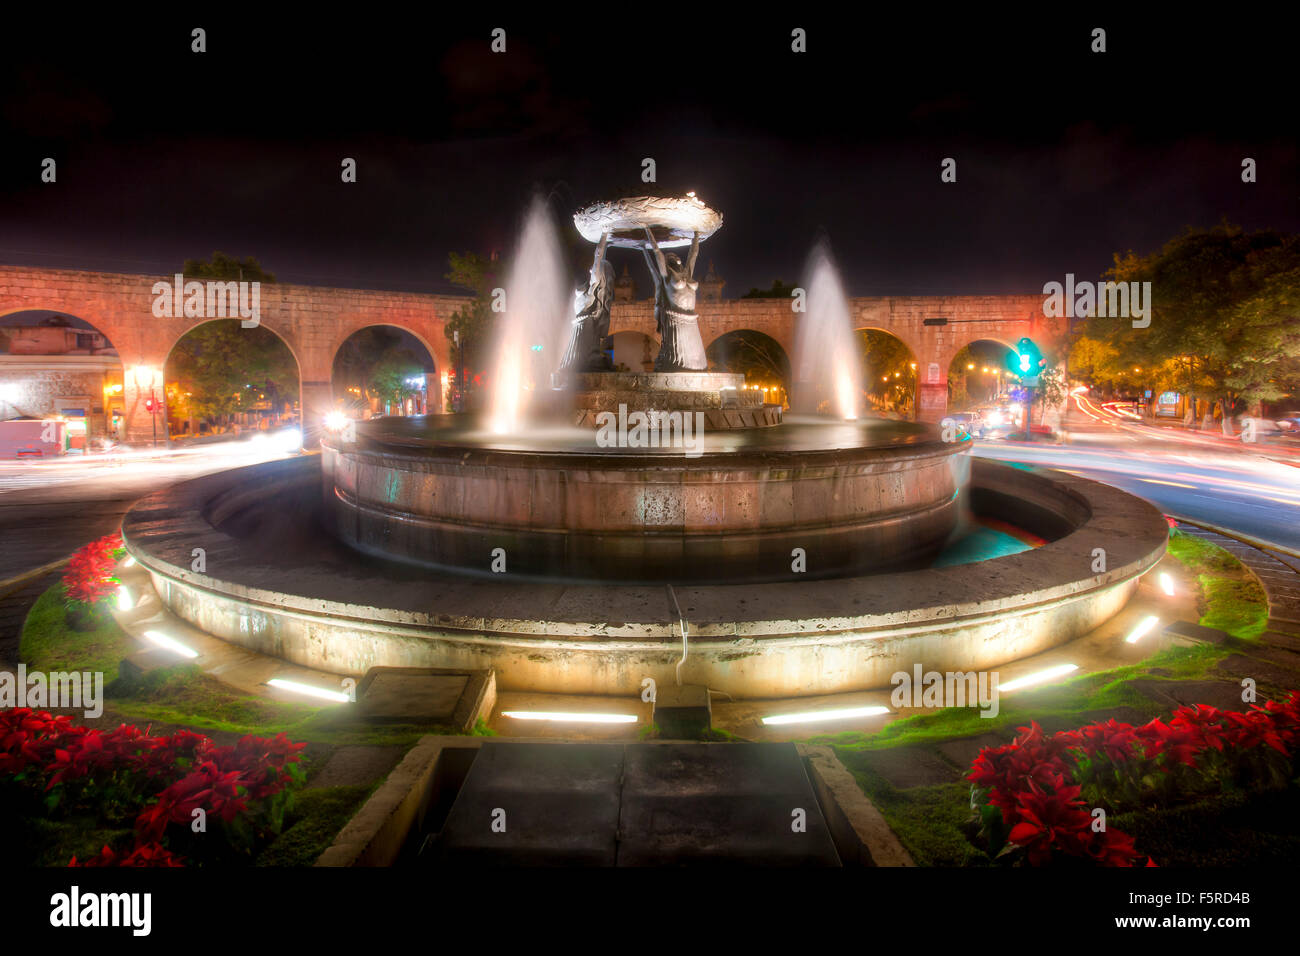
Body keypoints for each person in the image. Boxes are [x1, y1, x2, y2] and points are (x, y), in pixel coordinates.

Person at [642, 227, 707, 371]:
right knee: (679, 363)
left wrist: (696, 235)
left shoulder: (687, 273)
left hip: (692, 320)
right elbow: (657, 253)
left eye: (675, 256)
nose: (675, 257)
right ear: (667, 263)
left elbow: (693, 254)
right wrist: (647, 230)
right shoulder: (667, 276)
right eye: (670, 257)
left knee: (697, 363)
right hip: (676, 320)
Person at [558, 233, 615, 372]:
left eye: (595, 268)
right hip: (582, 331)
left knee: (576, 366)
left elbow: (598, 256)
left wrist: (604, 235)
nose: (591, 269)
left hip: (582, 332)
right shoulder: (594, 293)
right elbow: (599, 259)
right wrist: (606, 244)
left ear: (600, 273)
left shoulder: (592, 288)